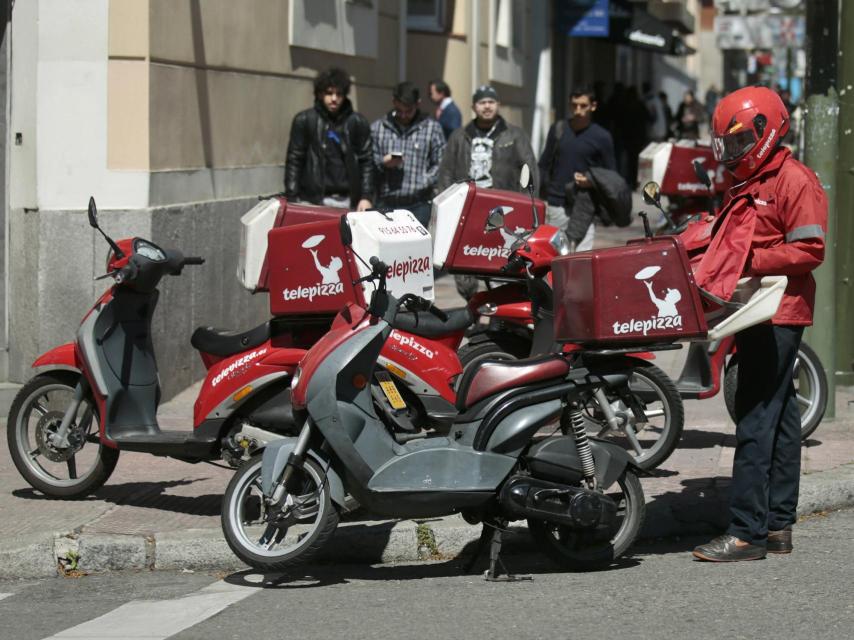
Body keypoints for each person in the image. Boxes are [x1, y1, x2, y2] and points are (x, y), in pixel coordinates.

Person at [692, 86, 827, 562]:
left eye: (737, 142)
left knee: (754, 415)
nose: (731, 153)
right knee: (783, 415)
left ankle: (746, 531)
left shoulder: (794, 181)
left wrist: (750, 259)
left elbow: (811, 250)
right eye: (726, 144)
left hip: (777, 310)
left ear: (765, 133)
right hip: (756, 306)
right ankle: (777, 526)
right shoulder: (752, 180)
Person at [437, 85, 538, 299]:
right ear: (474, 106)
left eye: (491, 102)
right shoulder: (460, 136)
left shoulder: (514, 135)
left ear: (498, 105)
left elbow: (529, 168)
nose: (487, 106)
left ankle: (501, 307)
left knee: (503, 260)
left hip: (503, 210)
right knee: (465, 261)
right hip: (469, 209)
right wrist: (447, 205)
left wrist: (524, 204)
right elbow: (446, 171)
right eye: (482, 102)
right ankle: (472, 304)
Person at [538, 86, 617, 252]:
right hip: (556, 204)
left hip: (585, 206)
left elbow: (611, 175)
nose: (578, 110)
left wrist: (592, 181)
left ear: (593, 106)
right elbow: (544, 164)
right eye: (574, 105)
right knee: (553, 258)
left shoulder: (602, 137)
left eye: (583, 106)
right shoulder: (558, 129)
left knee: (581, 260)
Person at [284, 67, 374, 211]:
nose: (334, 99)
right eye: (329, 93)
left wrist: (366, 197)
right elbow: (295, 159)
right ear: (319, 94)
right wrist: (292, 197)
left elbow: (367, 161)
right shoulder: (305, 120)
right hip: (312, 200)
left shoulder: (357, 122)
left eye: (339, 94)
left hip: (347, 200)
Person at [371, 82, 446, 227]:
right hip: (386, 203)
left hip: (419, 205)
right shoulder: (378, 128)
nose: (404, 115)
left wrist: (424, 180)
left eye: (408, 111)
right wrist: (383, 163)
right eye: (399, 110)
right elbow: (369, 165)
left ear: (418, 104)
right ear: (393, 102)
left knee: (416, 249)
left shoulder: (432, 128)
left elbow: (441, 163)